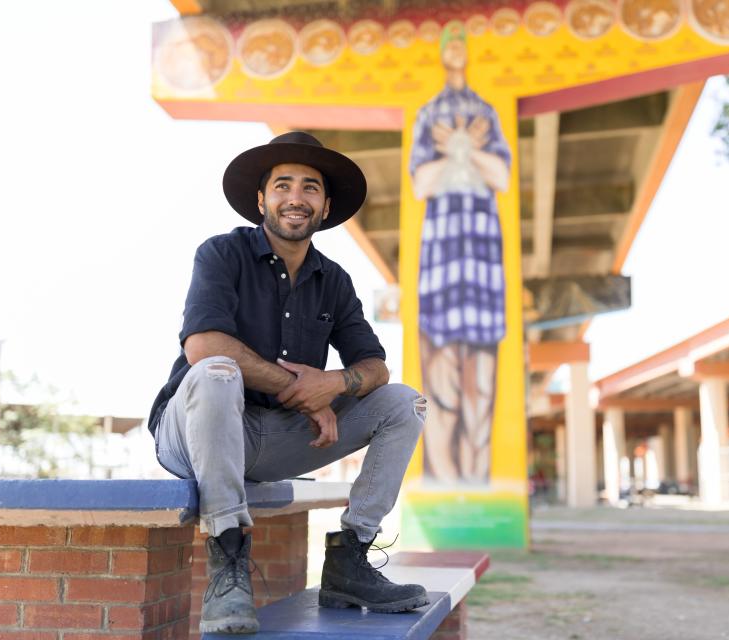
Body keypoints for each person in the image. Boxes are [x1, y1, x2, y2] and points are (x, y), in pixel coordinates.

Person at [148, 131, 429, 634]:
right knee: (217, 372)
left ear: (324, 206)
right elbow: (204, 346)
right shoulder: (220, 254)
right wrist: (298, 390)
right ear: (262, 200)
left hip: (273, 438)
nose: (296, 197)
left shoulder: (335, 280)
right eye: (282, 185)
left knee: (404, 402)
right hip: (193, 433)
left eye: (310, 188)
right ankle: (228, 562)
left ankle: (350, 558)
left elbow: (375, 368)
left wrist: (335, 385)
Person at [409, 21, 511, 484]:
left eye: (459, 44)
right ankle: (447, 482)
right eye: (447, 44)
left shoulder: (487, 111)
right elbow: (419, 182)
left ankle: (478, 482)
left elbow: (503, 176)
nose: (454, 51)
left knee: (483, 386)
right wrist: (461, 154)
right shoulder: (428, 112)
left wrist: (462, 151)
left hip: (485, 270)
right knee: (445, 385)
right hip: (441, 270)